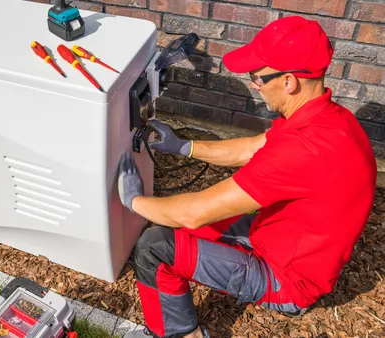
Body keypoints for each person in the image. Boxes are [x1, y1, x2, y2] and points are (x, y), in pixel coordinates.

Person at [117, 16, 377, 338]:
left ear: (289, 82)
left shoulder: (304, 149)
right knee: (175, 224)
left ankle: (180, 334)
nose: (254, 85)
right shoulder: (328, 119)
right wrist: (184, 146)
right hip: (281, 240)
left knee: (154, 247)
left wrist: (133, 201)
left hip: (286, 279)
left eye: (257, 77)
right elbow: (250, 148)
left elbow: (193, 213)